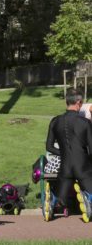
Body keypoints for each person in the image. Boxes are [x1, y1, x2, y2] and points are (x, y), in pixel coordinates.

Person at [45, 88, 92, 222]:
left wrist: (66, 153)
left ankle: (53, 201)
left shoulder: (55, 121)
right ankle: (88, 198)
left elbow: (49, 147)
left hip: (65, 168)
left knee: (61, 197)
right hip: (82, 167)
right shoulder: (85, 123)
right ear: (78, 102)